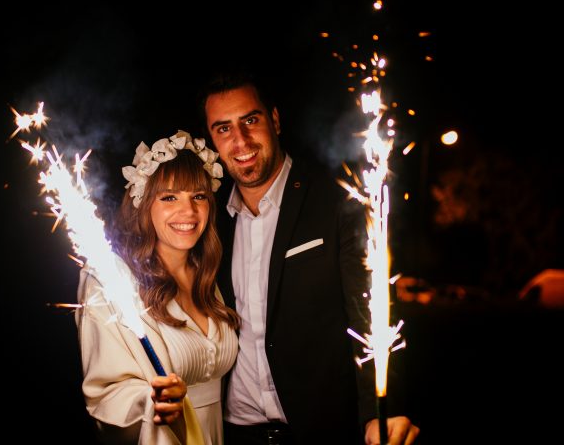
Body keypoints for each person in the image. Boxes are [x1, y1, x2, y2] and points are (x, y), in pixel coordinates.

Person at [200, 72, 420, 445]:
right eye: (223, 129)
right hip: (234, 432)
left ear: (275, 120)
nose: (240, 140)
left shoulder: (338, 199)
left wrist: (380, 411)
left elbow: (371, 313)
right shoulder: (210, 218)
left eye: (250, 120)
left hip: (321, 430)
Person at [76, 130, 240, 444]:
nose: (188, 211)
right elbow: (105, 395)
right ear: (143, 204)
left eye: (198, 196)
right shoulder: (110, 281)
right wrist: (153, 401)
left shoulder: (208, 276)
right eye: (169, 197)